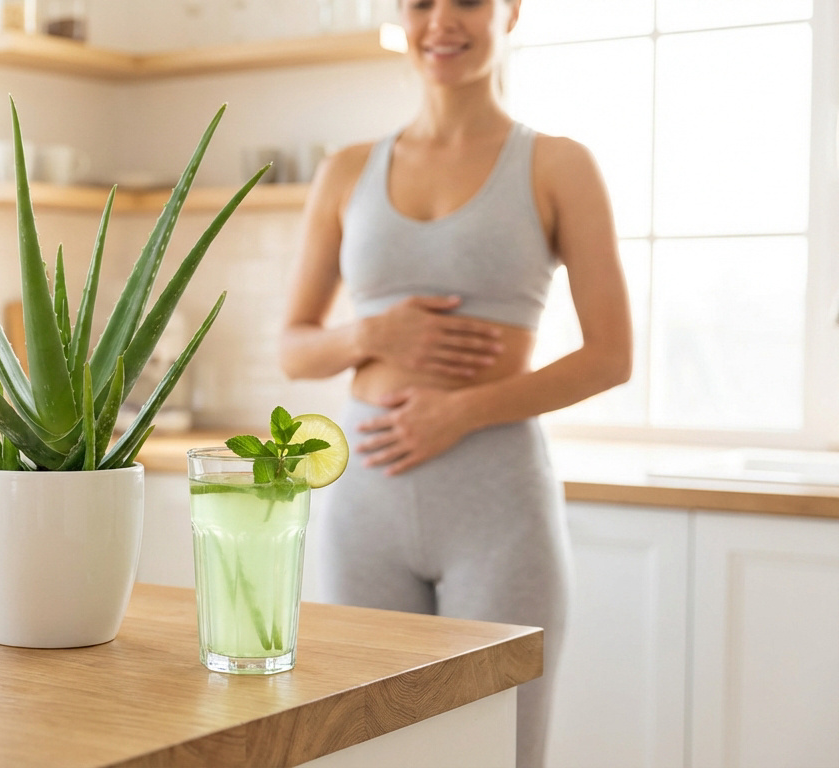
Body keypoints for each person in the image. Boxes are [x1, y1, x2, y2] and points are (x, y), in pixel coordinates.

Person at [278, 1, 633, 766]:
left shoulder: (557, 163)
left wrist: (462, 413)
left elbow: (611, 355)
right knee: (364, 751)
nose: (442, 20)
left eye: (468, 0)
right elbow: (294, 349)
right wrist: (369, 333)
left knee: (498, 749)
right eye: (419, 3)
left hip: (497, 505)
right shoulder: (347, 169)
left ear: (511, 12)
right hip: (364, 504)